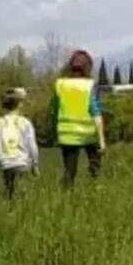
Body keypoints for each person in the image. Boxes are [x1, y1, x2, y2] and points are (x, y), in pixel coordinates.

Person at [53, 49, 106, 188]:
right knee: (95, 166)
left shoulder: (60, 85)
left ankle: (67, 197)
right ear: (88, 67)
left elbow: (55, 110)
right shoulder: (90, 86)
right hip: (88, 133)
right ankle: (95, 189)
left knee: (69, 172)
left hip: (66, 134)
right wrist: (102, 140)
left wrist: (54, 131)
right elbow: (96, 112)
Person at [0, 89, 40, 198]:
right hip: (22, 161)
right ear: (19, 105)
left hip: (5, 162)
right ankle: (22, 209)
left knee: (9, 190)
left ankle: (9, 207)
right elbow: (32, 145)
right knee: (22, 191)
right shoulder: (25, 122)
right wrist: (35, 164)